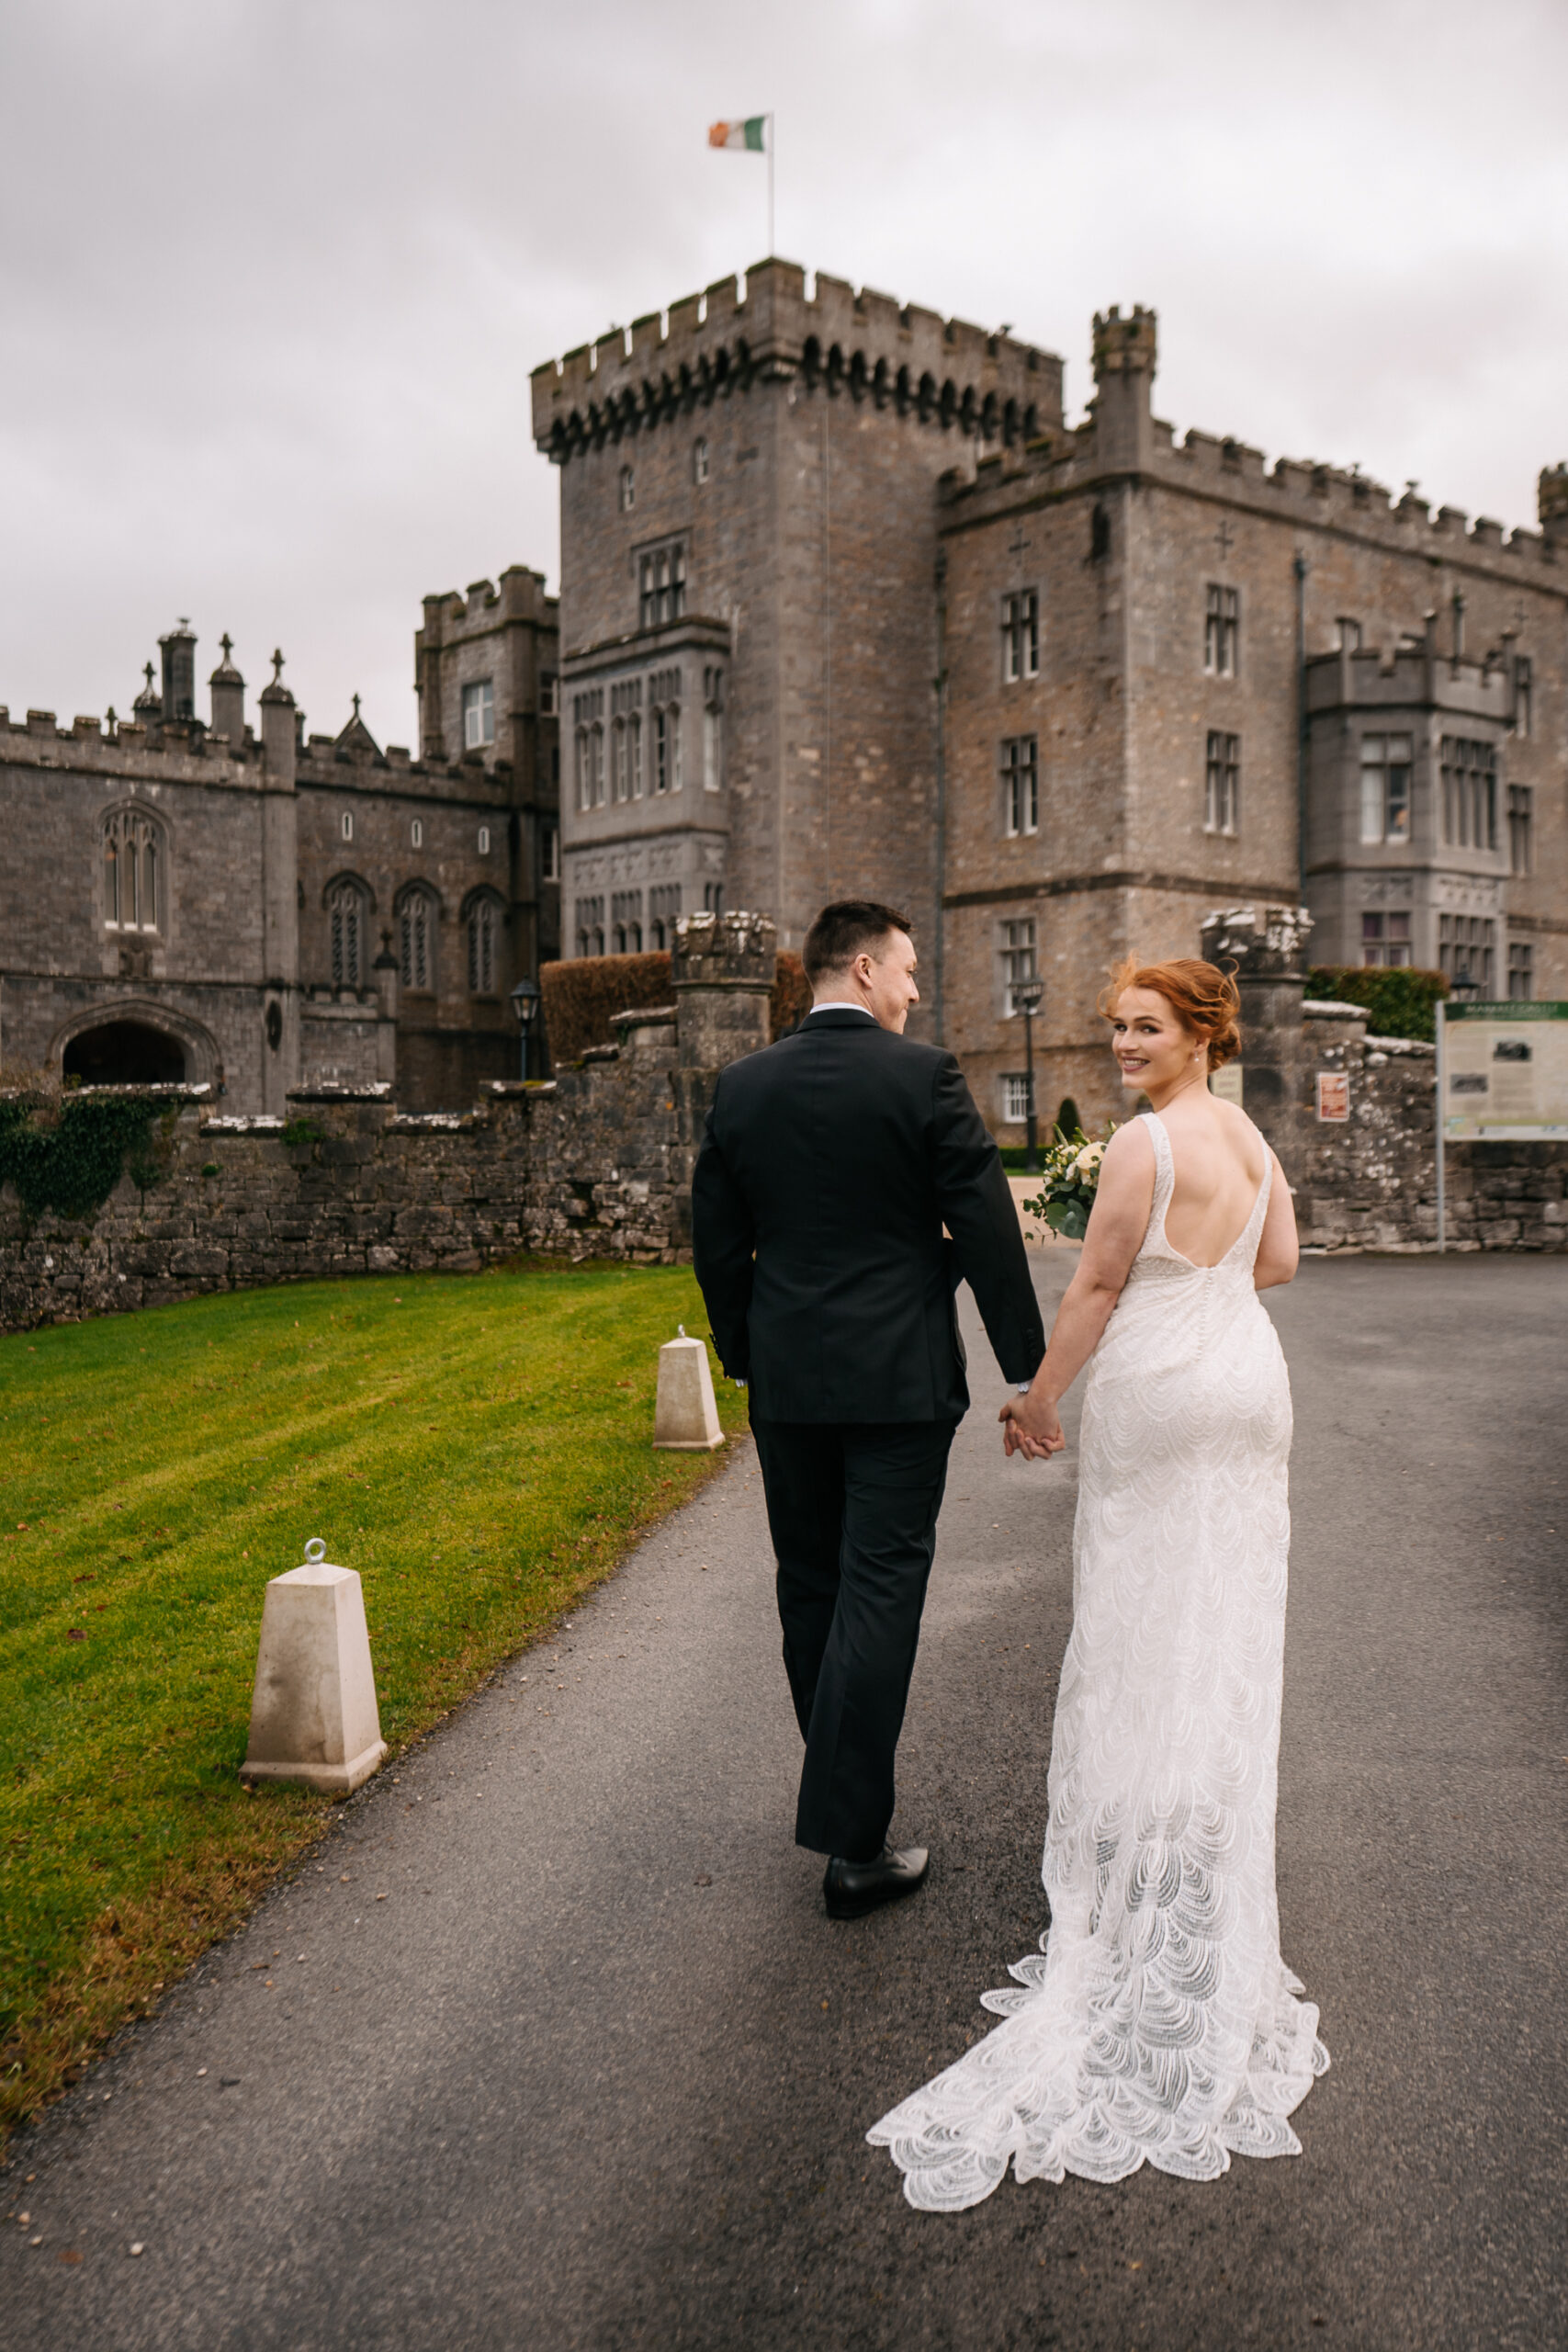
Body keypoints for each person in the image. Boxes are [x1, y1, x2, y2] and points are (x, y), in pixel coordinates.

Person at [869, 956, 1329, 2207]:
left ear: (1197, 1032)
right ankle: (1196, 1855)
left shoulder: (1141, 1147)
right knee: (1223, 1624)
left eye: (1143, 1028)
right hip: (1248, 1385)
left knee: (1136, 1624)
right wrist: (1208, 1284)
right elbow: (1278, 1263)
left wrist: (1035, 1396)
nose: (1121, 1045)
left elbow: (1095, 1282)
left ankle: (1135, 1872)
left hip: (1165, 1396)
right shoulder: (1245, 1134)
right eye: (1114, 1028)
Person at [692, 900, 1045, 1920]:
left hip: (791, 1384)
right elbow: (983, 1222)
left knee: (810, 1584)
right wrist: (1025, 1366)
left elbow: (718, 1242)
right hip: (898, 1381)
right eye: (907, 970)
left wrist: (745, 1350)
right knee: (880, 1587)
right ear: (859, 967)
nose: (916, 990)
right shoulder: (920, 1075)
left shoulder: (743, 1086)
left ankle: (849, 1807)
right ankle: (853, 1843)